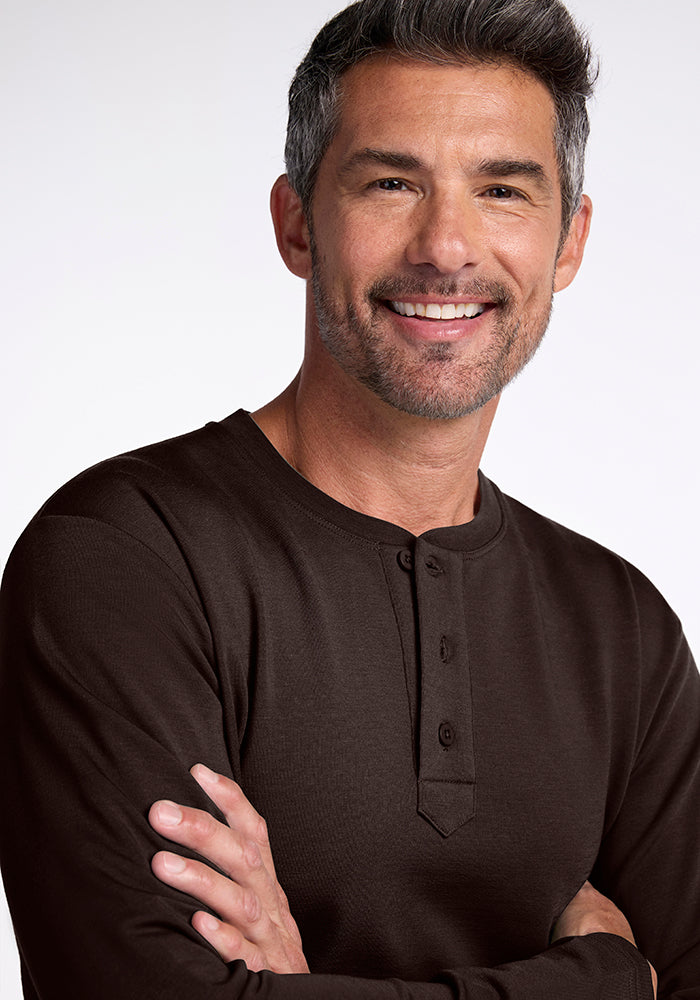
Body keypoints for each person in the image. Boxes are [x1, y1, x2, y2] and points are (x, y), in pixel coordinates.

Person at [0, 0, 697, 997]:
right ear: (296, 223)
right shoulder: (125, 558)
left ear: (567, 243)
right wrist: (601, 978)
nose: (446, 246)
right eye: (390, 182)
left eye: (502, 188)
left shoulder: (620, 626)